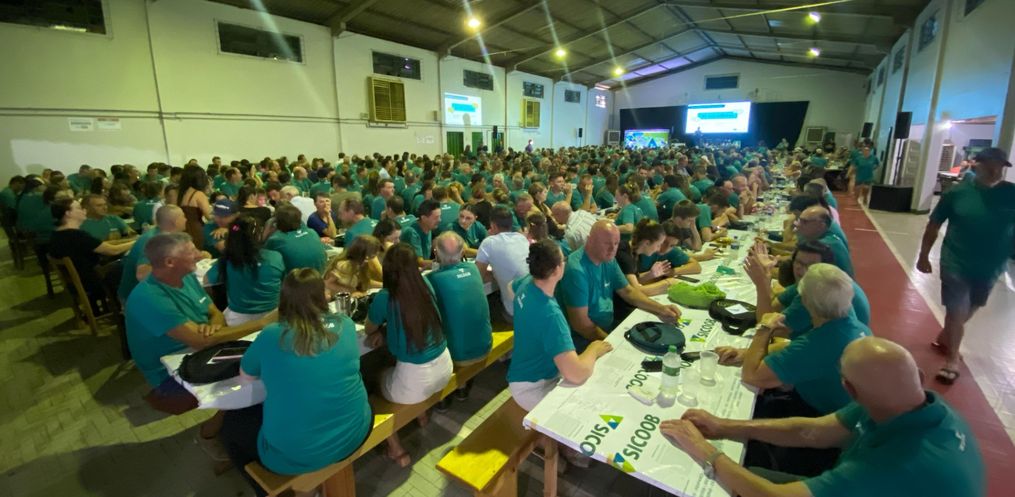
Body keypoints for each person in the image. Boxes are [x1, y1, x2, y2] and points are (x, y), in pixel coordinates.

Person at [661, 337, 985, 497]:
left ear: (849, 389)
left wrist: (704, 452)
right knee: (748, 473)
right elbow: (813, 432)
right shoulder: (904, 399)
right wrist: (724, 426)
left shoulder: (895, 467)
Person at [219, 268, 372, 494]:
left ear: (283, 300)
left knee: (231, 427)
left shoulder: (271, 334)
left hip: (297, 456)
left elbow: (247, 376)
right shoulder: (345, 323)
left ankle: (265, 490)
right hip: (356, 433)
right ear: (324, 296)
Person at [125, 233, 272, 413]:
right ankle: (229, 422)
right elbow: (201, 341)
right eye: (191, 252)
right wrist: (264, 323)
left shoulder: (185, 276)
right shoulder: (149, 298)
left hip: (201, 351)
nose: (199, 254)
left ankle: (232, 419)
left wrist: (213, 327)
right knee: (260, 373)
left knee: (261, 364)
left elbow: (214, 312)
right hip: (171, 375)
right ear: (170, 262)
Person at [917, 147, 1015, 384]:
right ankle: (951, 360)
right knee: (957, 309)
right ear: (976, 165)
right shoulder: (957, 193)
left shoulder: (1011, 193)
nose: (994, 170)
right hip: (956, 261)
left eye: (999, 166)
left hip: (991, 265)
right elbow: (933, 225)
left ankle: (946, 336)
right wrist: (923, 255)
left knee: (972, 306)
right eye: (989, 165)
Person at [365, 243, 451, 468]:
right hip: (444, 367)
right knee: (396, 367)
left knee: (370, 381)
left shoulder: (386, 297)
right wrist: (386, 331)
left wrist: (381, 331)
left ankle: (396, 449)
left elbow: (368, 328)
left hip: (415, 381)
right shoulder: (425, 285)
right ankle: (421, 415)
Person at [558, 221, 681, 351]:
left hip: (606, 330)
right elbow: (581, 325)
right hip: (583, 343)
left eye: (616, 243)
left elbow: (628, 291)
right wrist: (613, 344)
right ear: (590, 240)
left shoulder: (608, 259)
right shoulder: (576, 270)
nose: (612, 249)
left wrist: (661, 309)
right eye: (606, 243)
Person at [743, 241, 869, 339]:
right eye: (798, 262)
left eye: (810, 265)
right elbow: (773, 309)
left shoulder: (817, 295)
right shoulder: (812, 281)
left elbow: (766, 328)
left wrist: (762, 284)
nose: (800, 268)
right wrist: (766, 277)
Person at [49, 198, 136, 307]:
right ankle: (132, 308)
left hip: (78, 283)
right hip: (94, 282)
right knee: (133, 268)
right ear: (68, 213)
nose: (84, 210)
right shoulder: (76, 235)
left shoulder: (57, 234)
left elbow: (101, 245)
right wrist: (138, 242)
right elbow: (113, 250)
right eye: (79, 208)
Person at [427, 232, 492, 368]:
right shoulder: (473, 268)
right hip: (486, 345)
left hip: (459, 355)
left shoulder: (433, 279)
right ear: (462, 252)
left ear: (436, 253)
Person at [205, 216, 285, 326]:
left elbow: (206, 280)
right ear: (258, 235)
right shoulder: (276, 257)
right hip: (273, 316)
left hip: (238, 320)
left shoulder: (226, 261)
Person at [118, 205, 190, 303]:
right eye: (183, 216)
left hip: (154, 290)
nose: (186, 219)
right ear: (176, 222)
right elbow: (141, 275)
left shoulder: (165, 235)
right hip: (136, 297)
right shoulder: (152, 240)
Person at [475, 206, 530, 323]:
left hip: (514, 312)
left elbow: (477, 276)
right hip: (531, 304)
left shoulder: (489, 242)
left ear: (493, 225)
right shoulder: (521, 238)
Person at [264, 204, 327, 273]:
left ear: (277, 222)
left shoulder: (276, 239)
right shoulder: (312, 232)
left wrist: (268, 227)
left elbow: (262, 256)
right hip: (319, 276)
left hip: (296, 278)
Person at [178, 165, 213, 250]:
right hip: (196, 229)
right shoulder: (198, 194)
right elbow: (210, 216)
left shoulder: (180, 193)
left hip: (182, 228)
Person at [400, 199, 441, 267]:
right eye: (436, 217)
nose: (439, 220)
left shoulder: (428, 227)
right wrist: (441, 265)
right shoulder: (411, 233)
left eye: (439, 216)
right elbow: (419, 263)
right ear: (424, 218)